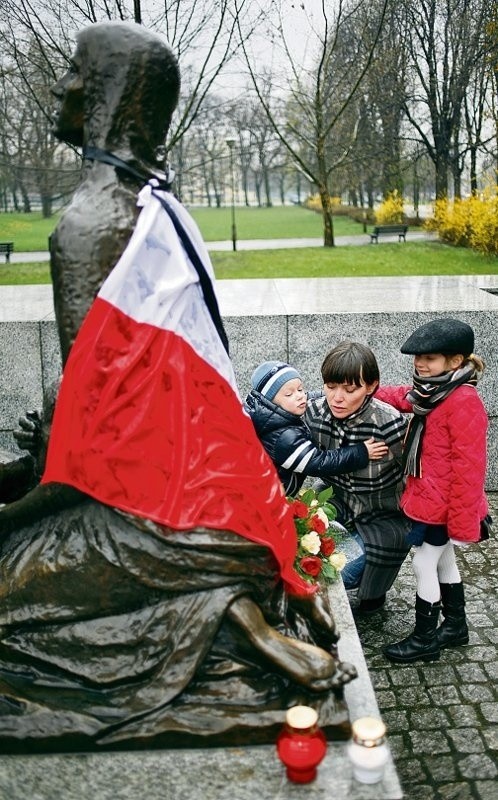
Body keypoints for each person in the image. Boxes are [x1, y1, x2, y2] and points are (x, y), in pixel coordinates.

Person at [0, 21, 356, 751]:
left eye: (75, 72)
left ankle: (219, 618)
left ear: (111, 98)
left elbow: (90, 418)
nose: (61, 86)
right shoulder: (161, 213)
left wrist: (18, 504)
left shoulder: (90, 221)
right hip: (210, 489)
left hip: (137, 507)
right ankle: (238, 612)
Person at [376, 318, 490, 663]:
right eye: (417, 357)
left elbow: (469, 472)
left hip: (445, 508)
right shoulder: (433, 393)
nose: (420, 364)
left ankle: (425, 637)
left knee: (424, 565)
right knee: (444, 562)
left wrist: (461, 525)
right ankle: (456, 625)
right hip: (430, 502)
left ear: (455, 361)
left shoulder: (463, 400)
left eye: (430, 358)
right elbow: (405, 398)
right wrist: (369, 390)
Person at [305, 341, 411, 613]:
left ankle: (373, 592)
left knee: (341, 573)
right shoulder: (313, 413)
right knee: (303, 560)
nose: (337, 397)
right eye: (331, 387)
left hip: (382, 515)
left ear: (371, 387)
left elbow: (420, 475)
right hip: (334, 503)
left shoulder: (390, 424)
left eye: (350, 389)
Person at [245, 360, 388, 497]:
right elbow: (318, 462)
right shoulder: (282, 436)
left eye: (300, 389)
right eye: (289, 394)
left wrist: (338, 395)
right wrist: (360, 452)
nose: (300, 396)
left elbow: (312, 396)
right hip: (268, 499)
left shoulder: (276, 414)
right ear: (269, 401)